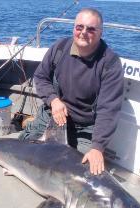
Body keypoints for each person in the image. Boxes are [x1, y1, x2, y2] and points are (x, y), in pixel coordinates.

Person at [19, 8, 124, 175]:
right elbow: (40, 77)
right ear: (73, 28)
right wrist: (53, 100)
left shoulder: (110, 64)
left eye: (91, 29)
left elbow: (108, 110)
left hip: (85, 127)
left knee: (80, 171)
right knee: (22, 151)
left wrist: (97, 147)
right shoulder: (60, 47)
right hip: (54, 115)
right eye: (79, 27)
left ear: (101, 32)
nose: (83, 33)